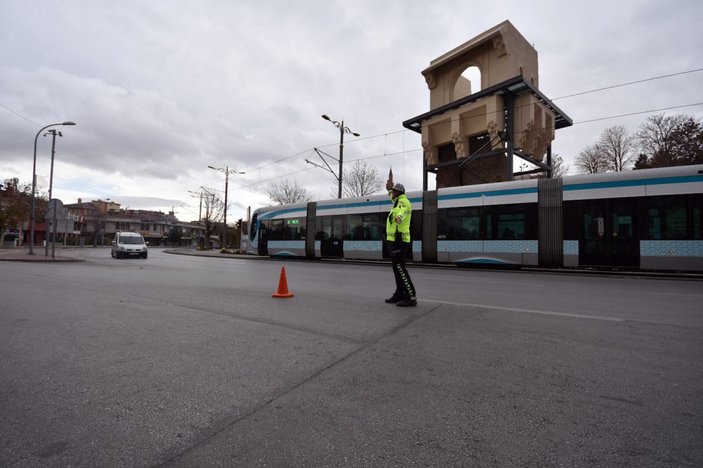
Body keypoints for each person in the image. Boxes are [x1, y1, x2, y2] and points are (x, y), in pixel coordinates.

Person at [384, 179, 417, 307]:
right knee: (396, 269)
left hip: (400, 241)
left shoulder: (403, 202)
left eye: (394, 192)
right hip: (395, 241)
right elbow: (393, 200)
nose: (392, 194)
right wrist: (388, 190)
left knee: (400, 269)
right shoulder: (396, 201)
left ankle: (411, 296)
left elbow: (403, 211)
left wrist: (399, 218)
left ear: (399, 192)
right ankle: (399, 294)